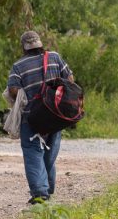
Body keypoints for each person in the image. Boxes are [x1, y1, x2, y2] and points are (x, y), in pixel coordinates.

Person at [7, 31, 74, 204]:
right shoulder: (55, 57)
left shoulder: (18, 66)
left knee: (32, 152)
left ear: (24, 47)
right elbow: (70, 80)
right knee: (49, 152)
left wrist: (26, 94)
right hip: (55, 116)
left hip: (32, 118)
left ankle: (40, 192)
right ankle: (48, 188)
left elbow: (13, 90)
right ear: (39, 44)